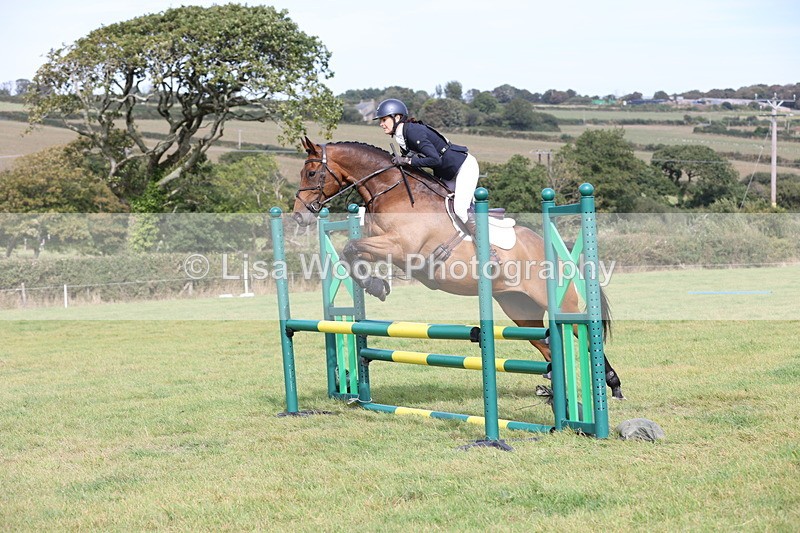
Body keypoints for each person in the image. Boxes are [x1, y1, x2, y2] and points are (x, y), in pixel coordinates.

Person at [374, 98, 481, 235]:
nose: (381, 124)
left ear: (397, 117)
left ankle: (486, 247)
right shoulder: (402, 135)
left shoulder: (413, 132)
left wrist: (407, 161)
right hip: (447, 174)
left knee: (460, 209)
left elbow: (434, 160)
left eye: (384, 120)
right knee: (439, 207)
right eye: (380, 121)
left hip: (463, 168)